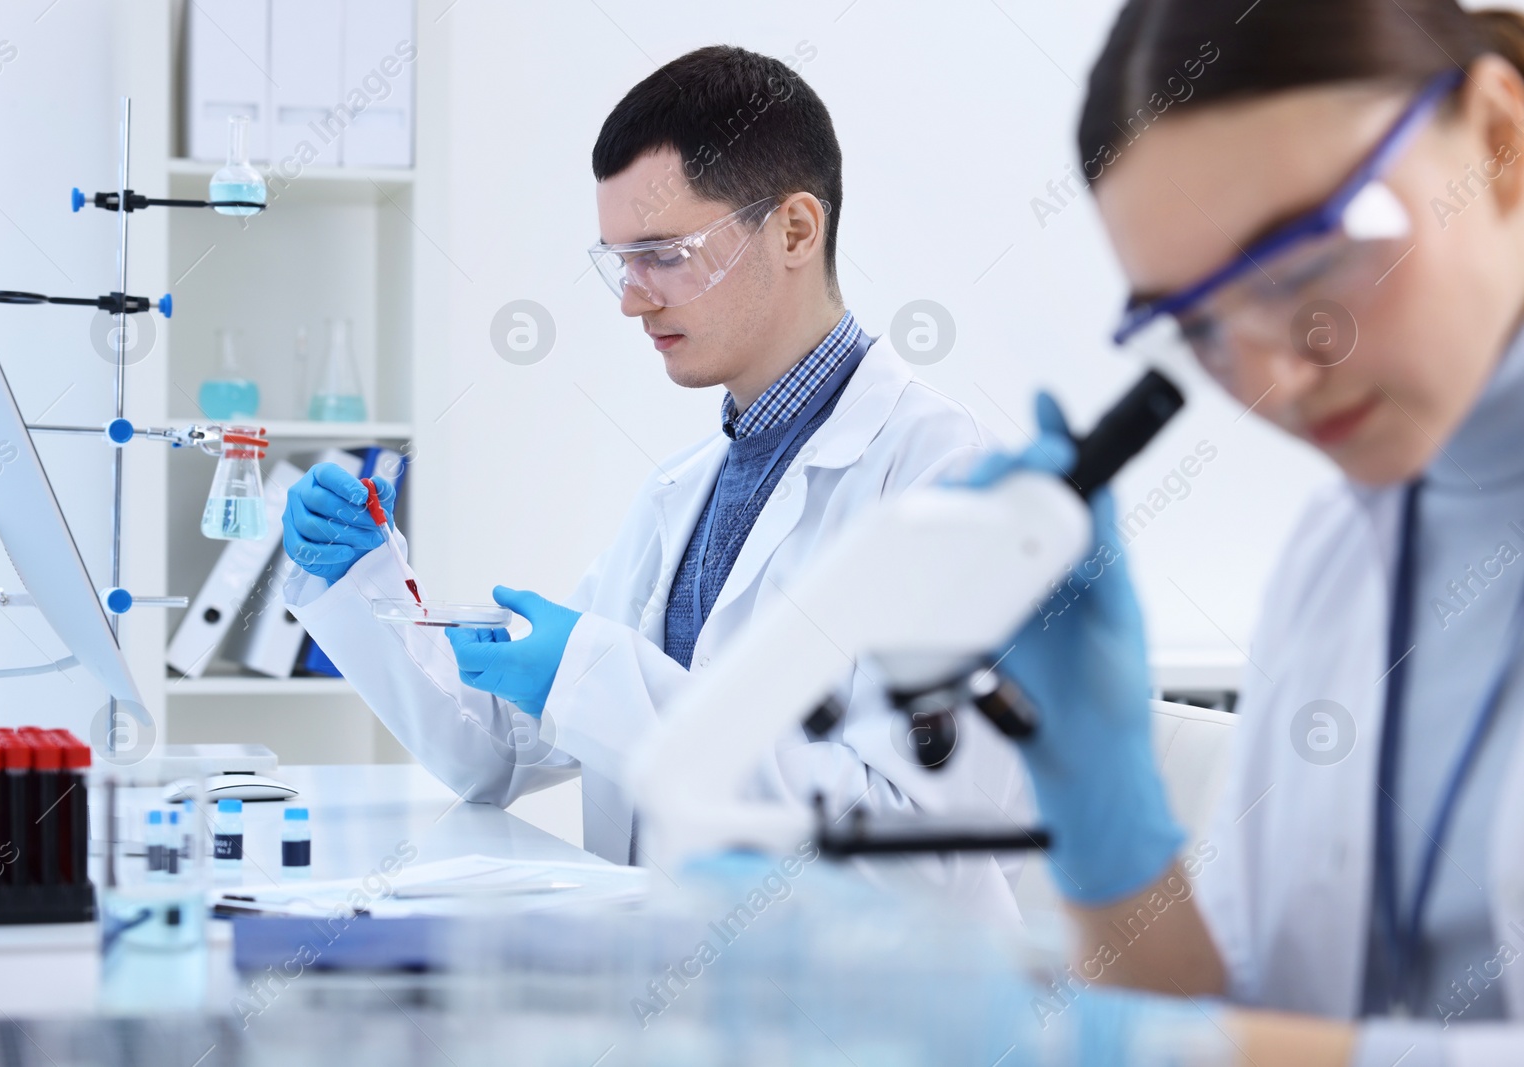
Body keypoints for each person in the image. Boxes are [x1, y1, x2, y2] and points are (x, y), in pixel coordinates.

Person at [279, 45, 1027, 923]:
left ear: (795, 229)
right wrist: (364, 578)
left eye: (665, 254)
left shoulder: (946, 476)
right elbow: (491, 753)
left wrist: (603, 679)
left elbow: (920, 848)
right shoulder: (686, 491)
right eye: (621, 260)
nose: (633, 299)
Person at [969, 0, 1524, 1061]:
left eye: (1309, 259)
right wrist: (1103, 803)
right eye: (1201, 323)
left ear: (1498, 140)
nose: (1272, 377)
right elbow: (1235, 1014)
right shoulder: (1335, 562)